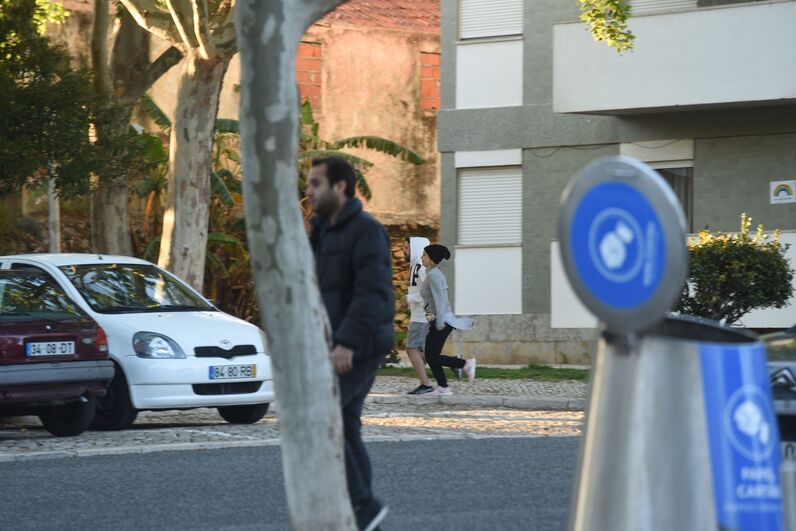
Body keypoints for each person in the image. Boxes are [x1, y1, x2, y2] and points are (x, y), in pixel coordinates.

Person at [307, 156, 393, 531]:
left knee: (323, 419)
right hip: (335, 345)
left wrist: (345, 344)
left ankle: (363, 506)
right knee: (344, 424)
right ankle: (362, 512)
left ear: (339, 187)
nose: (308, 191)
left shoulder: (366, 231)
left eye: (315, 184)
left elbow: (372, 294)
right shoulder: (323, 230)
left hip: (359, 348)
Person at [420, 243, 476, 395]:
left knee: (431, 356)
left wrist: (438, 323)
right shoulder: (432, 273)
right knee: (431, 356)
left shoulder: (433, 275)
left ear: (431, 259)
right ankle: (443, 387)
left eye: (424, 255)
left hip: (441, 320)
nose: (421, 257)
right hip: (438, 319)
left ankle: (464, 364)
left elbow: (439, 300)